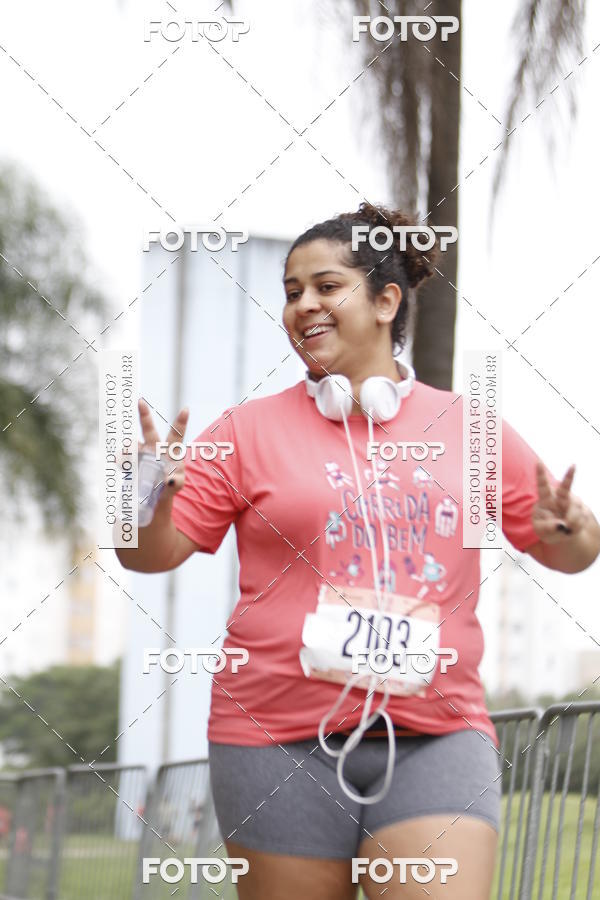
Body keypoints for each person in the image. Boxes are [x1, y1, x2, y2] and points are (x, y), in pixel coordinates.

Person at [116, 202, 600, 899]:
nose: (303, 305)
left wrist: (572, 530)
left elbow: (570, 552)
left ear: (386, 300)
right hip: (273, 740)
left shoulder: (469, 428)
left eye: (325, 285)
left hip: (437, 735)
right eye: (291, 292)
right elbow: (150, 556)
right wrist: (143, 500)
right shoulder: (245, 431)